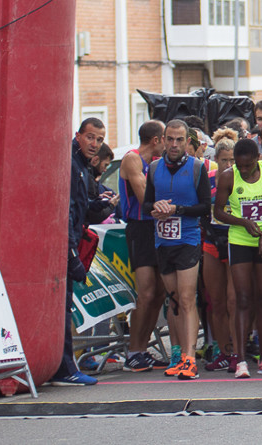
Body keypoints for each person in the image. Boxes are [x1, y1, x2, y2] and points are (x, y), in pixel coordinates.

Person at [143, 120, 211, 380]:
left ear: (187, 142)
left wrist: (177, 210)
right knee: (172, 301)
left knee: (186, 298)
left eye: (179, 140)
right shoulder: (153, 168)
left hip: (187, 238)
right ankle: (179, 354)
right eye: (170, 139)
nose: (174, 144)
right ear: (162, 139)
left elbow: (206, 206)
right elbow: (146, 203)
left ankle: (191, 358)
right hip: (163, 240)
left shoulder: (196, 168)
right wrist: (156, 208)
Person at [51, 118, 114, 386]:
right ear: (78, 135)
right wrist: (71, 254)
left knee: (64, 310)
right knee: (63, 311)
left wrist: (100, 205)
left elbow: (79, 208)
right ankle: (64, 369)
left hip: (70, 243)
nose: (95, 144)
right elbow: (64, 212)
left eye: (99, 140)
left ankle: (62, 367)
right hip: (65, 247)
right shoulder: (70, 163)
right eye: (90, 137)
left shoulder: (81, 167)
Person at [214, 138, 262, 378]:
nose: (243, 170)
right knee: (243, 298)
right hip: (240, 240)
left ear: (258, 159)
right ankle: (241, 360)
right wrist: (242, 222)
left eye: (248, 166)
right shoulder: (227, 176)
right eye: (239, 166)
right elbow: (218, 211)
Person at [117, 120, 168, 374]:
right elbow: (145, 198)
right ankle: (133, 352)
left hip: (156, 228)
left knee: (159, 293)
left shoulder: (156, 163)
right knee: (146, 294)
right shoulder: (133, 159)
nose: (170, 145)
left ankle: (142, 349)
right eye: (167, 139)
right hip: (140, 228)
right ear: (156, 140)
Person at [202, 132, 240, 373]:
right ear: (216, 159)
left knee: (234, 299)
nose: (228, 165)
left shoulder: (244, 179)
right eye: (224, 160)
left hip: (236, 240)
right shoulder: (208, 178)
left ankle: (238, 350)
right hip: (210, 241)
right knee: (215, 301)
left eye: (232, 160)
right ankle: (223, 350)